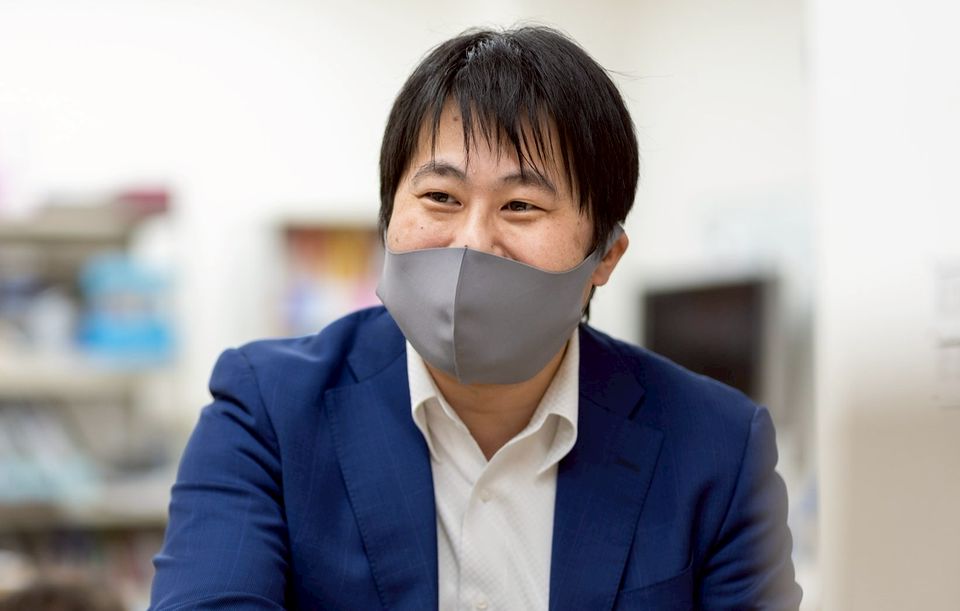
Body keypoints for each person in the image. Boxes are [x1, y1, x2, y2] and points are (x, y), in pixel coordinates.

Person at [150, 26, 802, 610]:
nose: (471, 242)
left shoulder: (717, 449)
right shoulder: (266, 412)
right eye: (440, 196)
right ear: (387, 218)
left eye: (521, 206)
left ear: (605, 255)